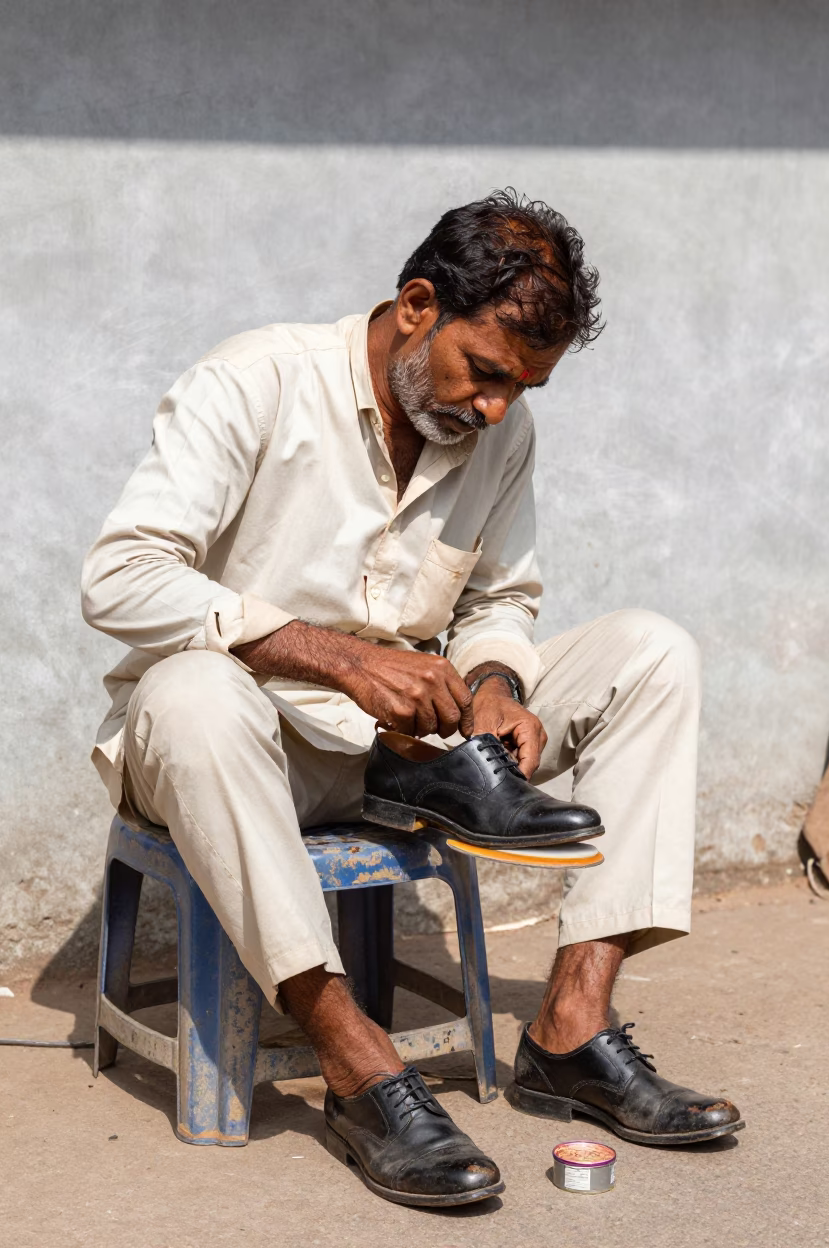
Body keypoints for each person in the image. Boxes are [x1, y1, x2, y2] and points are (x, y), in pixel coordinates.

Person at [81, 189, 742, 1208]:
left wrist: (494, 684)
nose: (493, 409)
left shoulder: (497, 432)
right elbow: (119, 577)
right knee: (195, 695)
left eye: (523, 389)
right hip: (244, 743)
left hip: (408, 747)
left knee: (652, 652)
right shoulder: (256, 382)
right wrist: (336, 657)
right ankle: (357, 1062)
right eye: (483, 373)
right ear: (417, 304)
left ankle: (571, 1025)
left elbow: (499, 598)